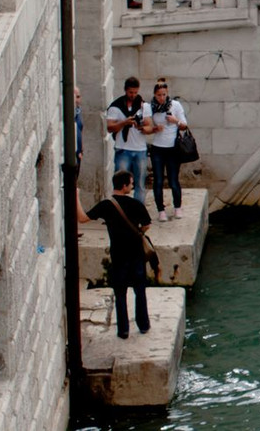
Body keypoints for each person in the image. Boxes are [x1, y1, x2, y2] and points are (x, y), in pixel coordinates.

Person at [77, 171, 152, 338]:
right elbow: (147, 225)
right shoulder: (135, 204)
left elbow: (82, 219)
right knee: (140, 291)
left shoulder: (106, 205)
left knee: (120, 293)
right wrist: (138, 230)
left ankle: (123, 330)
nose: (132, 186)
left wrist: (76, 197)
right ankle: (144, 325)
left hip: (119, 255)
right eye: (131, 184)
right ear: (124, 185)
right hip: (136, 254)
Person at [106, 76, 155, 205]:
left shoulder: (144, 106)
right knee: (120, 183)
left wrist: (142, 127)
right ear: (125, 90)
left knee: (139, 183)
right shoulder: (116, 107)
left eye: (135, 92)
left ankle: (138, 212)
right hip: (123, 149)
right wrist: (124, 122)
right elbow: (109, 127)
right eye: (130, 92)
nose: (133, 95)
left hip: (140, 149)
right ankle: (120, 210)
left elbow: (149, 126)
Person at [147, 80, 188, 222]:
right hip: (158, 148)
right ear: (154, 95)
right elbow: (145, 124)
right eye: (159, 95)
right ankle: (161, 210)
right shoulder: (150, 107)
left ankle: (177, 207)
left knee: (173, 179)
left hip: (173, 148)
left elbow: (184, 125)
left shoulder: (175, 105)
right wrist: (154, 128)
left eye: (164, 94)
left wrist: (175, 120)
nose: (162, 98)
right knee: (158, 180)